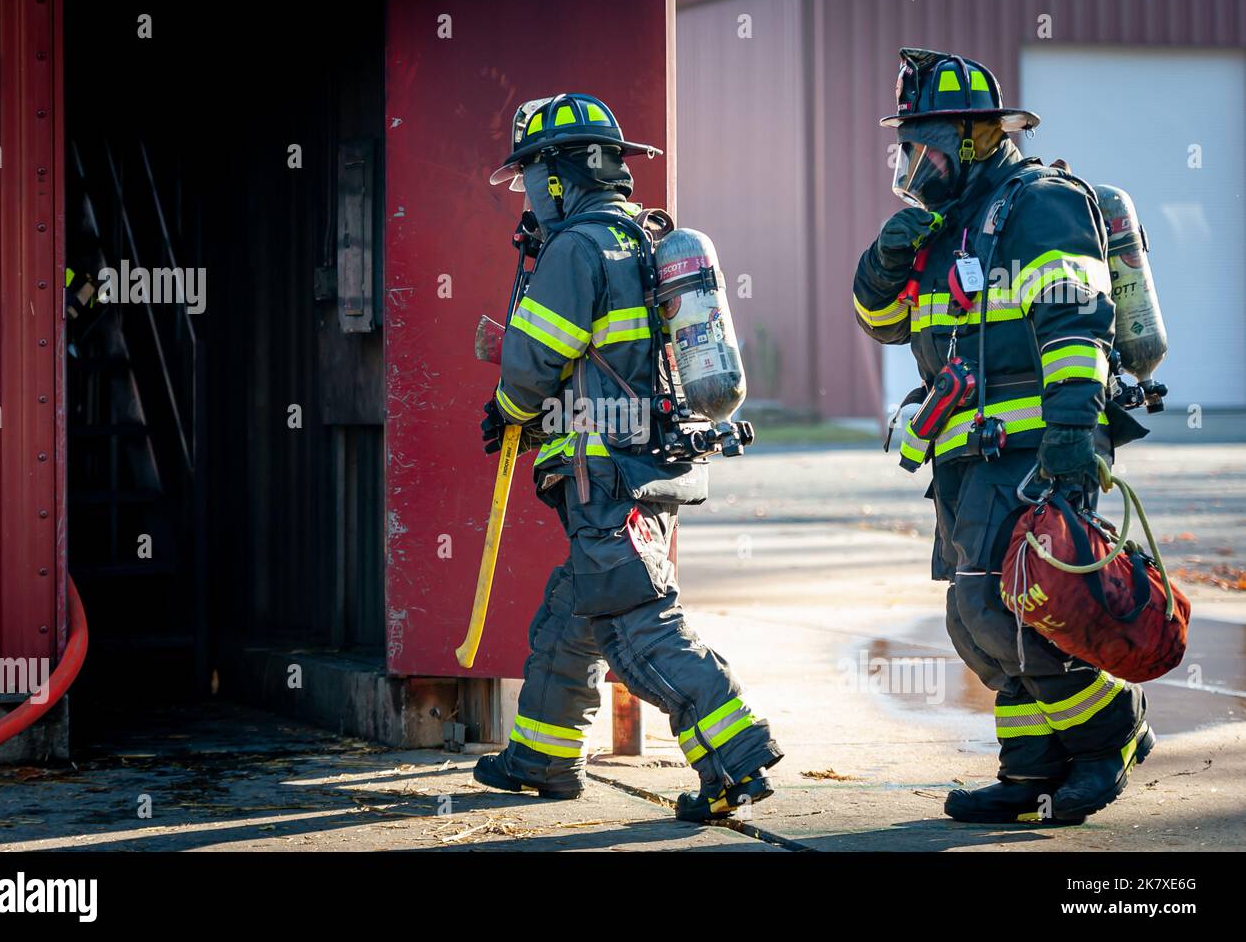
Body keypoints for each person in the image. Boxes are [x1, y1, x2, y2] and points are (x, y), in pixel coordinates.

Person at [853, 50, 1154, 823]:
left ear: (976, 136)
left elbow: (1075, 323)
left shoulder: (1038, 205)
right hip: (961, 458)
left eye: (926, 144)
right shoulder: (943, 227)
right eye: (907, 146)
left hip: (1027, 448)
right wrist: (885, 263)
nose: (915, 162)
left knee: (1000, 606)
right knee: (976, 621)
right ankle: (1029, 772)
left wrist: (1071, 438)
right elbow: (887, 327)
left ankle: (1110, 732)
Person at [474, 93, 782, 821]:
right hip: (651, 461)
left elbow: (534, 359)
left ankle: (736, 758)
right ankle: (544, 758)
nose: (529, 193)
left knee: (638, 629)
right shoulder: (643, 238)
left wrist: (505, 408)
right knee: (572, 611)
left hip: (602, 468)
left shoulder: (576, 247)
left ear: (559, 174)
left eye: (531, 176)